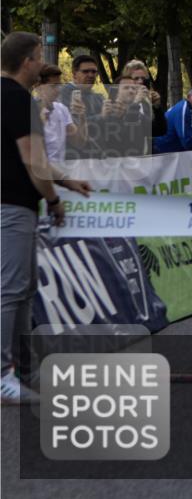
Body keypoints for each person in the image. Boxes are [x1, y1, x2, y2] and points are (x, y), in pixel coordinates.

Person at [2, 32, 92, 404]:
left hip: (13, 204)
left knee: (22, 288)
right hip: (13, 206)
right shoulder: (19, 99)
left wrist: (67, 179)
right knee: (11, 290)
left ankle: (25, 367)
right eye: (39, 58)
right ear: (27, 62)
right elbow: (33, 161)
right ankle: (4, 373)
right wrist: (54, 199)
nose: (42, 64)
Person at [35, 65, 87, 164]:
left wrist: (82, 116)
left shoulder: (61, 109)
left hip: (59, 173)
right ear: (39, 87)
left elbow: (79, 143)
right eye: (53, 86)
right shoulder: (29, 110)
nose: (58, 90)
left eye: (59, 85)